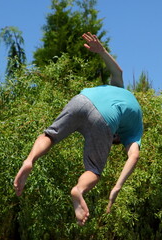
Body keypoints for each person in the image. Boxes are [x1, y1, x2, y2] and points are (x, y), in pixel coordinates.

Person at [13, 32, 143, 226]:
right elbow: (134, 156)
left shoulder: (122, 91)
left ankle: (30, 159)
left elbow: (118, 72)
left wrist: (102, 51)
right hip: (105, 117)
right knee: (94, 170)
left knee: (50, 135)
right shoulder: (134, 131)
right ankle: (78, 191)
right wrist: (117, 186)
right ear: (116, 137)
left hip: (82, 99)